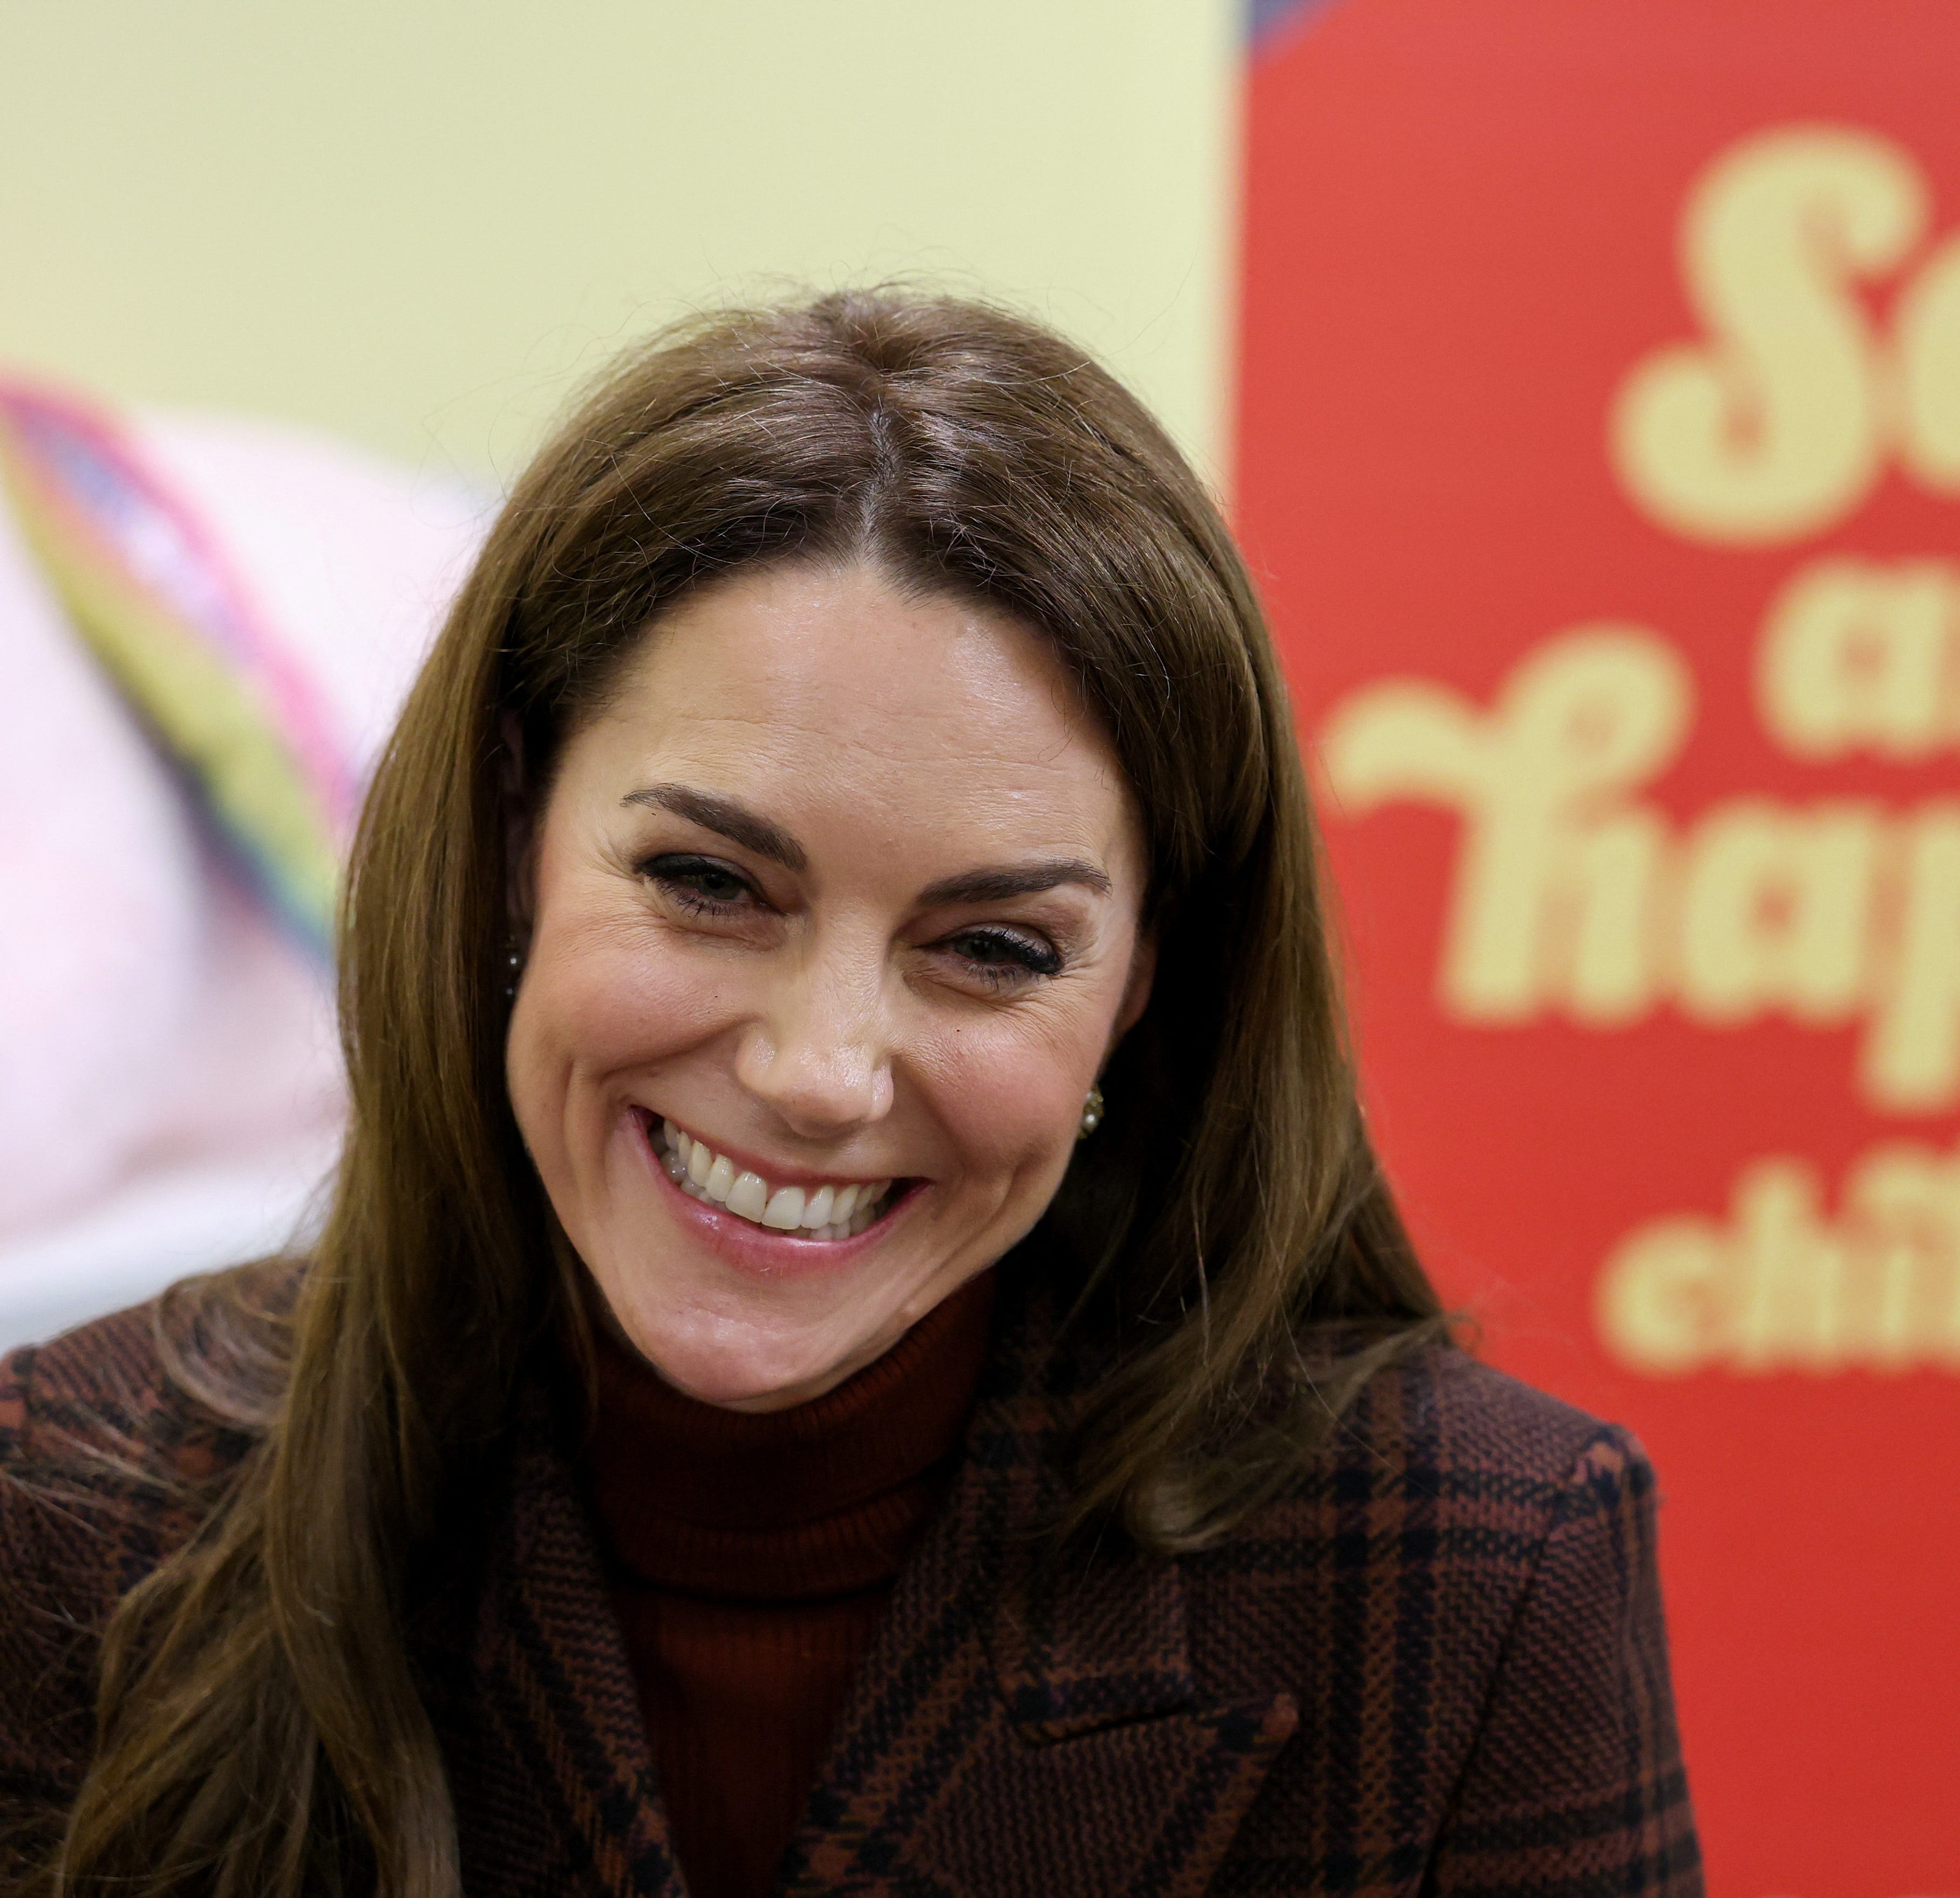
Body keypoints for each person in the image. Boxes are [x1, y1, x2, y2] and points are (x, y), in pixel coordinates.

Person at [0, 292, 1699, 1898]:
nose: (817, 1075)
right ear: (512, 836)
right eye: (710, 884)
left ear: (1146, 984)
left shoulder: (1474, 1574)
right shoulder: (67, 1510)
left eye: (996, 950)